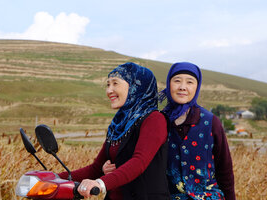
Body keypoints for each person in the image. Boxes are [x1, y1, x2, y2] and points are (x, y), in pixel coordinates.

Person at [58, 62, 170, 199]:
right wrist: (54, 178)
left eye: (115, 84)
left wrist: (100, 183)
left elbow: (139, 162)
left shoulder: (154, 119)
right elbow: (96, 169)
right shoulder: (118, 125)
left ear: (136, 86)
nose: (109, 90)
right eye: (108, 84)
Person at [159, 62, 236, 200]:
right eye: (177, 81)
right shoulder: (159, 121)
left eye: (190, 82)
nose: (183, 87)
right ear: (169, 84)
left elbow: (225, 170)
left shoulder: (211, 122)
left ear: (197, 87)